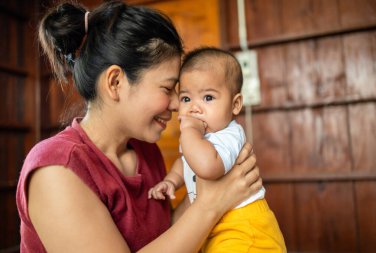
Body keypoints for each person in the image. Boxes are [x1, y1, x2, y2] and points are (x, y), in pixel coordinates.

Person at [15, 1, 263, 253]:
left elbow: (171, 236)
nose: (178, 104)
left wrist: (212, 181)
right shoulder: (56, 168)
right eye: (168, 89)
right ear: (115, 82)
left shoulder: (147, 151)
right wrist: (210, 205)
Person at [148, 47, 286, 253]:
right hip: (215, 226)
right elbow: (185, 161)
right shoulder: (196, 138)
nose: (194, 108)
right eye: (186, 99)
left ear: (235, 104)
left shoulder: (229, 134)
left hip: (244, 228)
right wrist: (172, 181)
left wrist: (189, 132)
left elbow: (207, 166)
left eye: (208, 98)